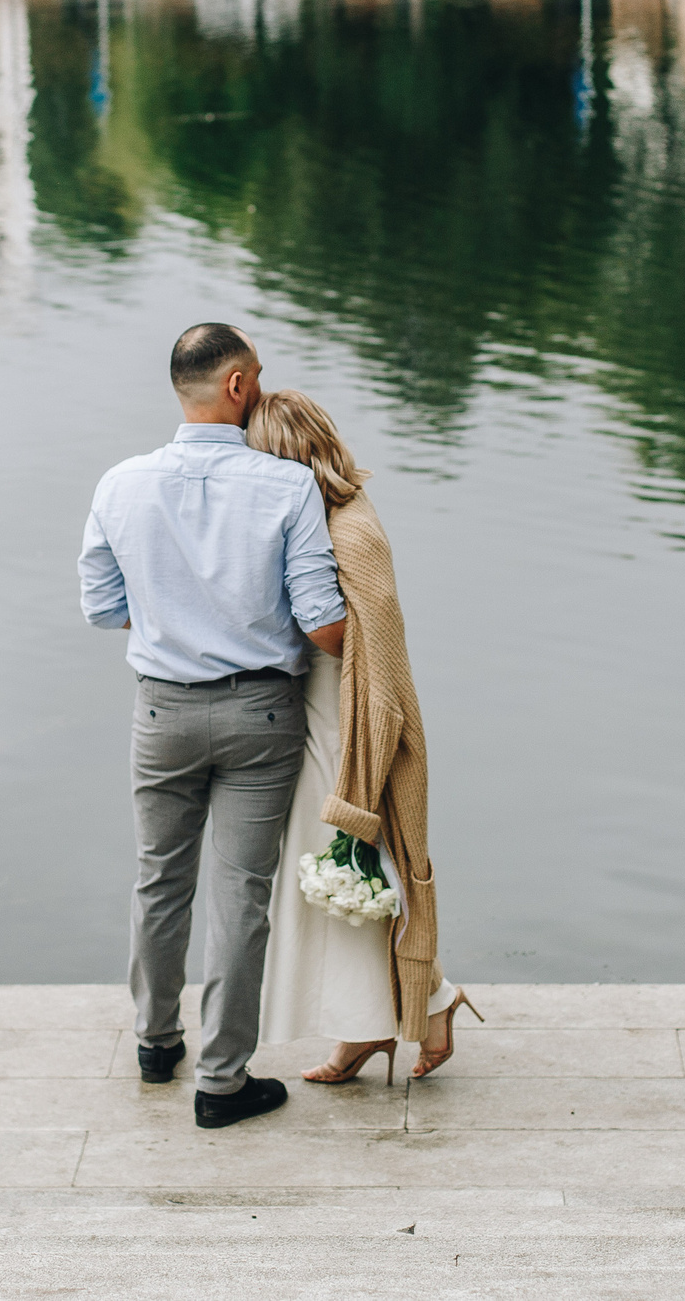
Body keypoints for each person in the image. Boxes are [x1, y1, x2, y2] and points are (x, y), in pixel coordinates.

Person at [79, 324, 346, 1130]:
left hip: (161, 710)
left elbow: (102, 608)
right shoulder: (288, 488)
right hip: (260, 714)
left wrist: (174, 621)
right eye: (257, 375)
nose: (261, 387)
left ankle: (156, 1043)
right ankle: (223, 1083)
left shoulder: (120, 483)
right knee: (240, 897)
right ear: (236, 386)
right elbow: (324, 622)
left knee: (160, 878)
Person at [247, 391, 480, 1082]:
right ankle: (373, 1026)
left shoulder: (347, 529)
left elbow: (375, 646)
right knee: (335, 878)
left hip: (345, 727)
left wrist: (374, 757)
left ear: (283, 457)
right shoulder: (327, 517)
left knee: (345, 871)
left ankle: (426, 1002)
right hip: (319, 717)